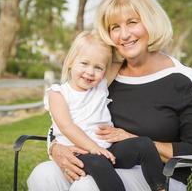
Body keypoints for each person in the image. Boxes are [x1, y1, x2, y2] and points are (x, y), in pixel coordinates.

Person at [27, 0, 192, 190]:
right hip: (105, 161)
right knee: (43, 175)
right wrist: (55, 148)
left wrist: (136, 140)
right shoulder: (104, 77)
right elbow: (68, 118)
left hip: (161, 175)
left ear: (151, 22)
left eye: (132, 22)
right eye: (115, 27)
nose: (124, 35)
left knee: (87, 187)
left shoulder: (182, 80)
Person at [45, 30, 166, 191]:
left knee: (144, 144)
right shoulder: (58, 93)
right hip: (80, 152)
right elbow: (67, 127)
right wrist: (93, 148)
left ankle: (160, 187)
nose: (90, 72)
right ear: (70, 62)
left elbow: (121, 54)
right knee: (99, 163)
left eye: (98, 67)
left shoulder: (100, 85)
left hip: (109, 150)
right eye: (84, 63)